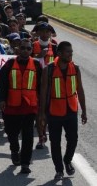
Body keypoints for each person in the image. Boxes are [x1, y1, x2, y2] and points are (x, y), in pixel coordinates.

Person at [39, 41, 87, 180]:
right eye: (68, 52)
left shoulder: (76, 68)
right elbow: (43, 93)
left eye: (71, 52)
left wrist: (83, 110)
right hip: (54, 111)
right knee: (55, 142)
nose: (70, 54)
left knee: (73, 139)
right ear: (59, 54)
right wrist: (42, 114)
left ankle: (67, 160)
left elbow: (80, 90)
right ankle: (59, 169)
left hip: (71, 110)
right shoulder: (48, 70)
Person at [0, 38, 42, 174]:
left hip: (29, 107)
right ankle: (14, 149)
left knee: (28, 136)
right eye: (23, 48)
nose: (25, 51)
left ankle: (25, 163)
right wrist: (1, 100)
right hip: (11, 107)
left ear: (31, 51)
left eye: (28, 48)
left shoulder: (37, 65)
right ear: (18, 49)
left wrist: (42, 103)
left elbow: (41, 86)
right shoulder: (9, 64)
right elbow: (2, 83)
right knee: (12, 134)